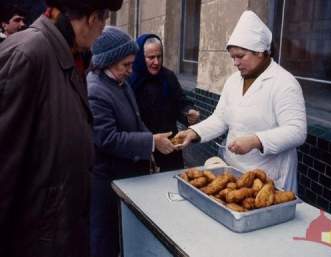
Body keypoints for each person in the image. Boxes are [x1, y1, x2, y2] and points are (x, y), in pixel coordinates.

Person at [0, 0, 122, 256]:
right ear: (92, 19)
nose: (103, 30)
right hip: (35, 239)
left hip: (61, 231)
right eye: (105, 19)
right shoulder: (28, 53)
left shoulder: (70, 55)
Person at [175, 11, 307, 192]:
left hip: (268, 179)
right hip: (234, 172)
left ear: (260, 52)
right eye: (233, 57)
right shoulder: (233, 81)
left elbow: (297, 131)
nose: (235, 63)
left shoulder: (284, 83)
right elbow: (221, 118)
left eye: (240, 56)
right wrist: (193, 132)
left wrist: (256, 140)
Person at [87, 26, 175, 257]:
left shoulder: (121, 82)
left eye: (131, 63)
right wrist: (151, 142)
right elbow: (107, 138)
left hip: (128, 175)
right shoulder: (95, 90)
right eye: (125, 65)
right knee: (105, 239)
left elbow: (136, 121)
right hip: (107, 181)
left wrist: (152, 147)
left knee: (125, 235)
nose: (130, 70)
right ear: (108, 61)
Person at [128, 33, 200, 171]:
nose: (156, 62)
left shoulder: (168, 77)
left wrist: (189, 113)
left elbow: (181, 103)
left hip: (170, 149)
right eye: (151, 57)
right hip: (142, 152)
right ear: (140, 58)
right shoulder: (130, 81)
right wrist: (149, 142)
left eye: (159, 56)